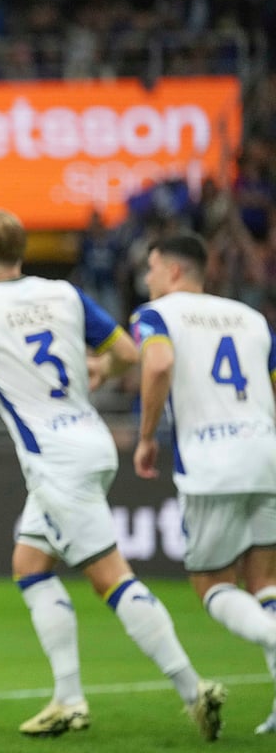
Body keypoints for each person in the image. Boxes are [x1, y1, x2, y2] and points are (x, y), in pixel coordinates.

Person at [0, 209, 224, 739]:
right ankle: (68, 698)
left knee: (110, 577)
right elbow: (125, 352)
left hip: (54, 459)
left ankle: (194, 688)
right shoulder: (63, 294)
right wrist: (99, 371)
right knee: (29, 563)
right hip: (89, 437)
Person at [132, 231, 276, 737]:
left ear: (173, 271)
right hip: (266, 454)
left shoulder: (156, 316)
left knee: (212, 584)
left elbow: (159, 362)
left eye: (151, 268)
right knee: (266, 582)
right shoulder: (253, 318)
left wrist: (147, 437)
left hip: (213, 462)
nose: (146, 279)